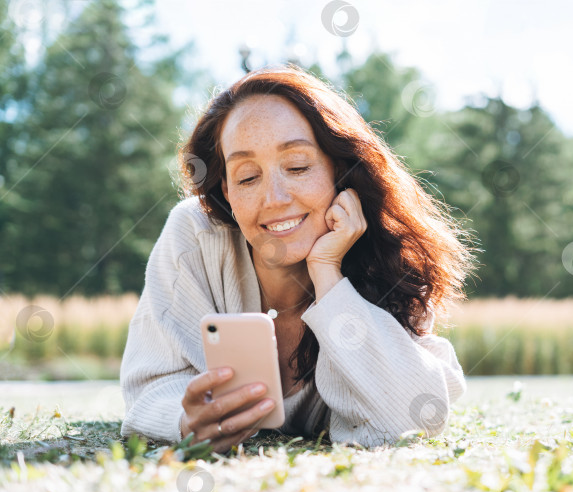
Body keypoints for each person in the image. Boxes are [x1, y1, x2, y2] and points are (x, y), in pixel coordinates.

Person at [119, 65, 476, 453]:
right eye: (247, 177)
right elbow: (147, 387)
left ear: (340, 172)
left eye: (297, 167)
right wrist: (184, 419)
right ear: (226, 190)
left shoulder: (388, 264)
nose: (274, 198)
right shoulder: (194, 237)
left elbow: (415, 417)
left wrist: (328, 275)